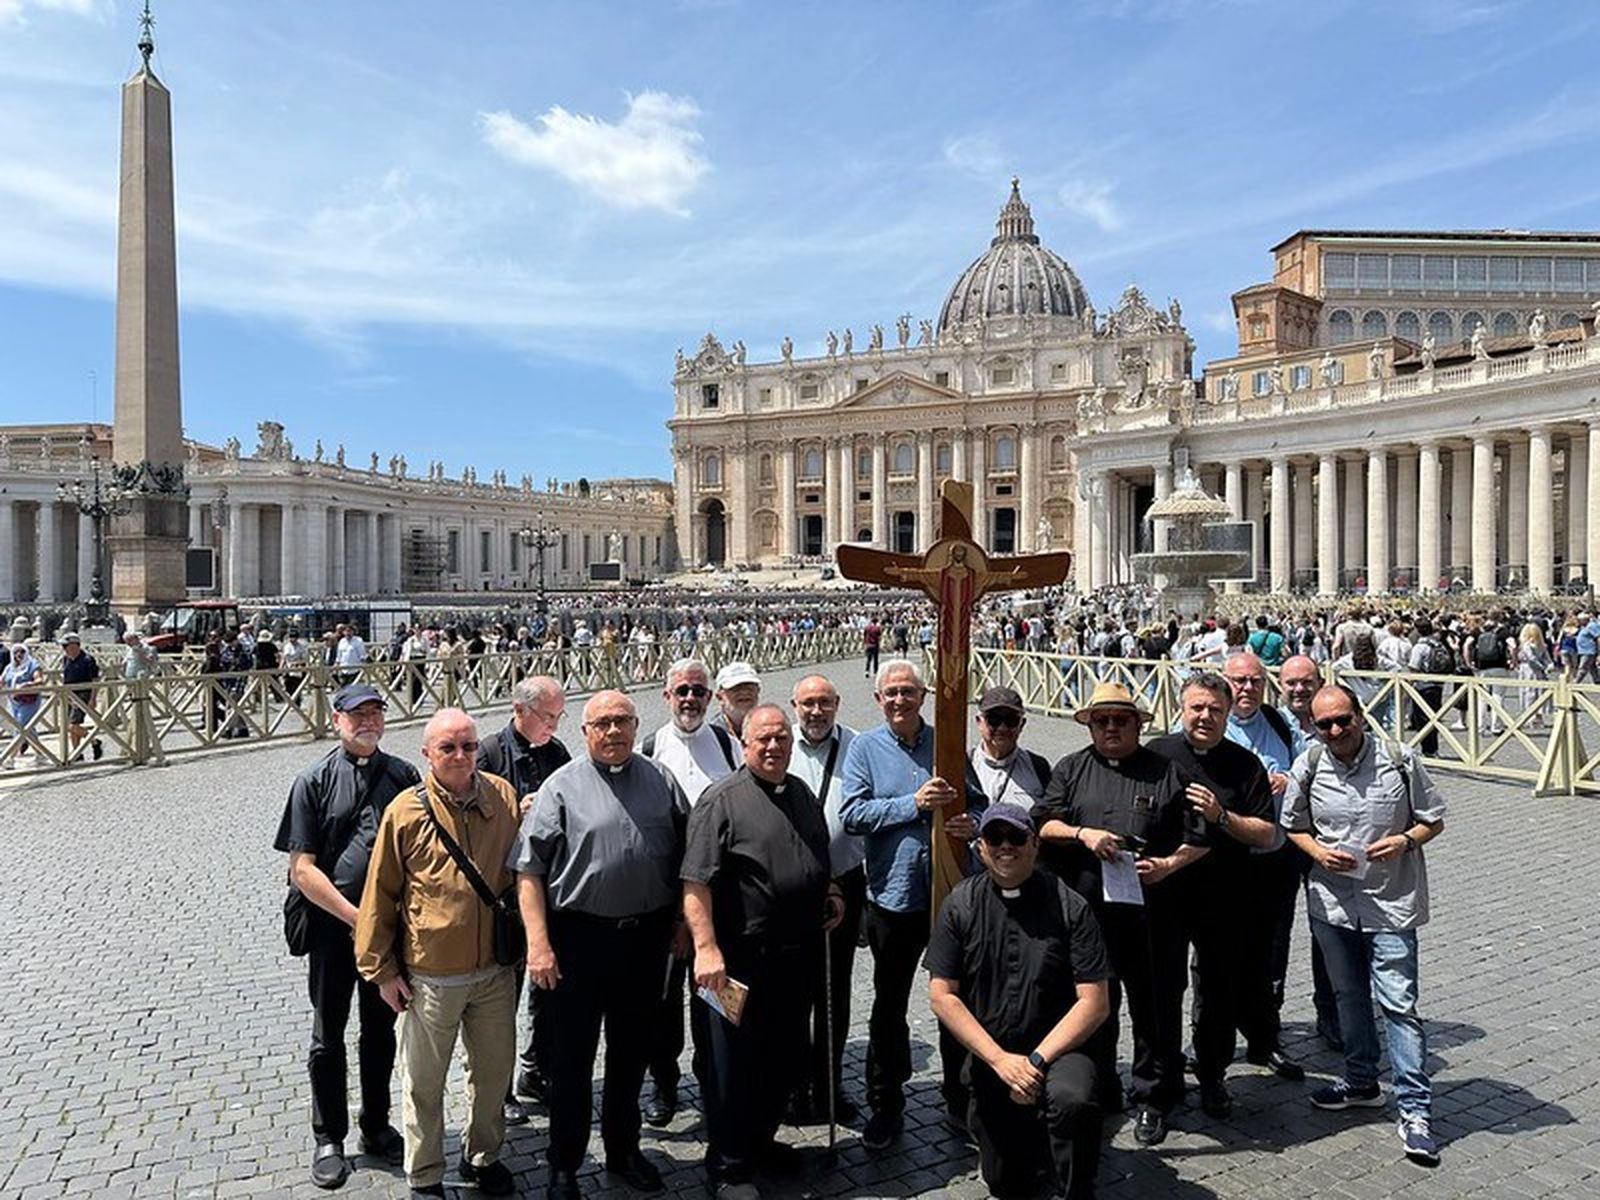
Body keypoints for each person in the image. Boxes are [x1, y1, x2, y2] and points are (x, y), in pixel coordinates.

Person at [511, 690, 688, 1200]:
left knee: (631, 1052)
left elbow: (684, 858)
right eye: (602, 723)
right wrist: (539, 945)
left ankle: (623, 1149)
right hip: (578, 942)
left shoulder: (661, 779)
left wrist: (681, 920)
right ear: (584, 732)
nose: (613, 732)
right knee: (571, 1060)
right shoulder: (558, 787)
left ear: (636, 726)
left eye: (622, 722)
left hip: (644, 940)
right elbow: (529, 870)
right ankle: (564, 1163)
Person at [356, 708, 522, 1199]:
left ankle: (482, 1156)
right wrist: (382, 970)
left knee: (493, 1073)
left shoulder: (502, 795)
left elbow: (521, 872)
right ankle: (425, 1173)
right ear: (427, 753)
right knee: (424, 1083)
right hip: (431, 974)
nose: (460, 755)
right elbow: (379, 893)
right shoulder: (405, 810)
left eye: (469, 746)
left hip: (494, 969)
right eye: (447, 747)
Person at [1032, 681, 1204, 1147]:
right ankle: (1100, 1087)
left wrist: (1169, 864)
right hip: (1089, 917)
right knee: (1093, 1008)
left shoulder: (1169, 772)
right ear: (1089, 724)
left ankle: (1154, 1097)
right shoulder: (1071, 767)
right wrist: (1083, 834)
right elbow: (1042, 823)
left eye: (1120, 720)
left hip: (1153, 915)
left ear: (1137, 725)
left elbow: (1199, 838)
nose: (1110, 727)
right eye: (1101, 720)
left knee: (1154, 1009)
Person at [1283, 686, 1446, 1167]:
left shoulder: (1399, 759)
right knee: (1348, 996)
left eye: (1343, 720)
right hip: (1332, 903)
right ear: (1313, 727)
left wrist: (1404, 841)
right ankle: (1361, 1082)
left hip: (1390, 902)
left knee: (1399, 1005)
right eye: (1324, 724)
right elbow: (1292, 825)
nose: (1335, 731)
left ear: (1360, 716)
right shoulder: (1309, 765)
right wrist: (1316, 852)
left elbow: (1433, 818)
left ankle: (1415, 1111)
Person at [683, 704, 842, 1198]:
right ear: (746, 745)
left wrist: (830, 890)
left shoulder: (800, 794)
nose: (774, 747)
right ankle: (727, 1164)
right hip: (733, 963)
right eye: (763, 740)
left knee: (784, 1056)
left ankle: (759, 1141)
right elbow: (695, 882)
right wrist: (705, 949)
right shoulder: (721, 800)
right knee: (731, 1064)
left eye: (781, 739)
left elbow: (814, 854)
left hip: (795, 956)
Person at [274, 682, 420, 1189]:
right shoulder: (311, 781)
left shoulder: (404, 776)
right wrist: (357, 917)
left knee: (381, 1030)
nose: (368, 722)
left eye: (376, 713)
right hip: (333, 931)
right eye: (357, 714)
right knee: (327, 1034)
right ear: (336, 720)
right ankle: (329, 1136)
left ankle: (376, 1125)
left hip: (388, 934)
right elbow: (302, 870)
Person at [927, 805, 1111, 1200]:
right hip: (994, 1053)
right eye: (995, 838)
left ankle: (1075, 1187)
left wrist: (1036, 1062)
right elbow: (942, 995)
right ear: (981, 848)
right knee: (1004, 1180)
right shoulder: (960, 904)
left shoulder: (1071, 906)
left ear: (1035, 844)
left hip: (1060, 1050)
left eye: (1015, 838)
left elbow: (1094, 1002)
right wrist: (999, 1060)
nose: (1005, 847)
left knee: (1071, 1099)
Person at [841, 658, 984, 1151]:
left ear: (923, 696)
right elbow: (853, 814)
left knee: (955, 1001)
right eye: (891, 693)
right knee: (888, 1004)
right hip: (893, 897)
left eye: (908, 691)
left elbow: (978, 802)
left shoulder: (946, 744)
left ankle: (959, 1099)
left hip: (948, 896)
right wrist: (912, 805)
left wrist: (975, 824)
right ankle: (885, 1102)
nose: (900, 700)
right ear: (879, 700)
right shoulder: (864, 748)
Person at [1148, 672, 1279, 1119]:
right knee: (1162, 990)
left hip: (1225, 896)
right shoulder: (1155, 754)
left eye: (1215, 710)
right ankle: (1159, 1087)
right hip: (1163, 894)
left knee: (1218, 991)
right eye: (1197, 708)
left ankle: (1212, 1076)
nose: (1205, 716)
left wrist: (1222, 815)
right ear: (1181, 709)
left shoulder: (1245, 764)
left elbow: (1265, 833)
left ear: (1228, 713)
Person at [641, 658, 738, 1126]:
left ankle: (714, 1080)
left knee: (714, 996)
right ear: (666, 696)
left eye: (699, 692)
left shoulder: (725, 741)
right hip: (665, 899)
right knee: (662, 1003)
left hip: (718, 895)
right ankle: (664, 1083)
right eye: (682, 691)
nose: (689, 700)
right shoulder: (650, 746)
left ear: (710, 697)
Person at [475, 676, 571, 1125]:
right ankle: (501, 1086)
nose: (555, 724)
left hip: (550, 890)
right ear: (521, 711)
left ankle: (537, 1070)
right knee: (503, 999)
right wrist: (516, 808)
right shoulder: (488, 753)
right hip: (503, 898)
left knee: (548, 992)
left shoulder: (558, 754)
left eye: (558, 716)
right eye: (548, 716)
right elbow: (466, 815)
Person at [786, 674, 863, 1121]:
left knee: (836, 991)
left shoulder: (856, 744)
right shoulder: (779, 742)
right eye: (808, 704)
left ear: (837, 704)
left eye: (824, 704)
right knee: (795, 990)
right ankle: (794, 1084)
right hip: (794, 885)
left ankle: (829, 1082)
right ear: (795, 705)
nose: (816, 712)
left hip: (845, 879)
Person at [966, 685, 1053, 808]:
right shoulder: (965, 765)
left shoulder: (1039, 767)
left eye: (1011, 720)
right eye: (994, 719)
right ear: (979, 722)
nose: (1002, 728)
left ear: (1021, 724)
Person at [59, 631, 102, 760]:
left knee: (71, 725)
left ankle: (94, 741)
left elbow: (95, 680)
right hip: (69, 694)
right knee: (71, 724)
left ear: (75, 645)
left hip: (83, 694)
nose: (65, 649)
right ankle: (77, 752)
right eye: (64, 647)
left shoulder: (88, 659)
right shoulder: (65, 659)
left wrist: (93, 698)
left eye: (66, 646)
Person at [2, 641, 43, 768]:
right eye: (16, 652)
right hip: (14, 702)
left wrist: (29, 684)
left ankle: (10, 757)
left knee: (19, 727)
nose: (18, 654)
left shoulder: (32, 664)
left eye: (22, 651)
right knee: (28, 729)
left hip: (29, 701)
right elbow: (2, 681)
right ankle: (41, 755)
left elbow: (40, 680)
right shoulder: (10, 667)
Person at [710, 661, 761, 739]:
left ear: (758, 691)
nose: (744, 692)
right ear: (720, 697)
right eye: (736, 689)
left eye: (749, 688)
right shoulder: (712, 734)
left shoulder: (769, 727)